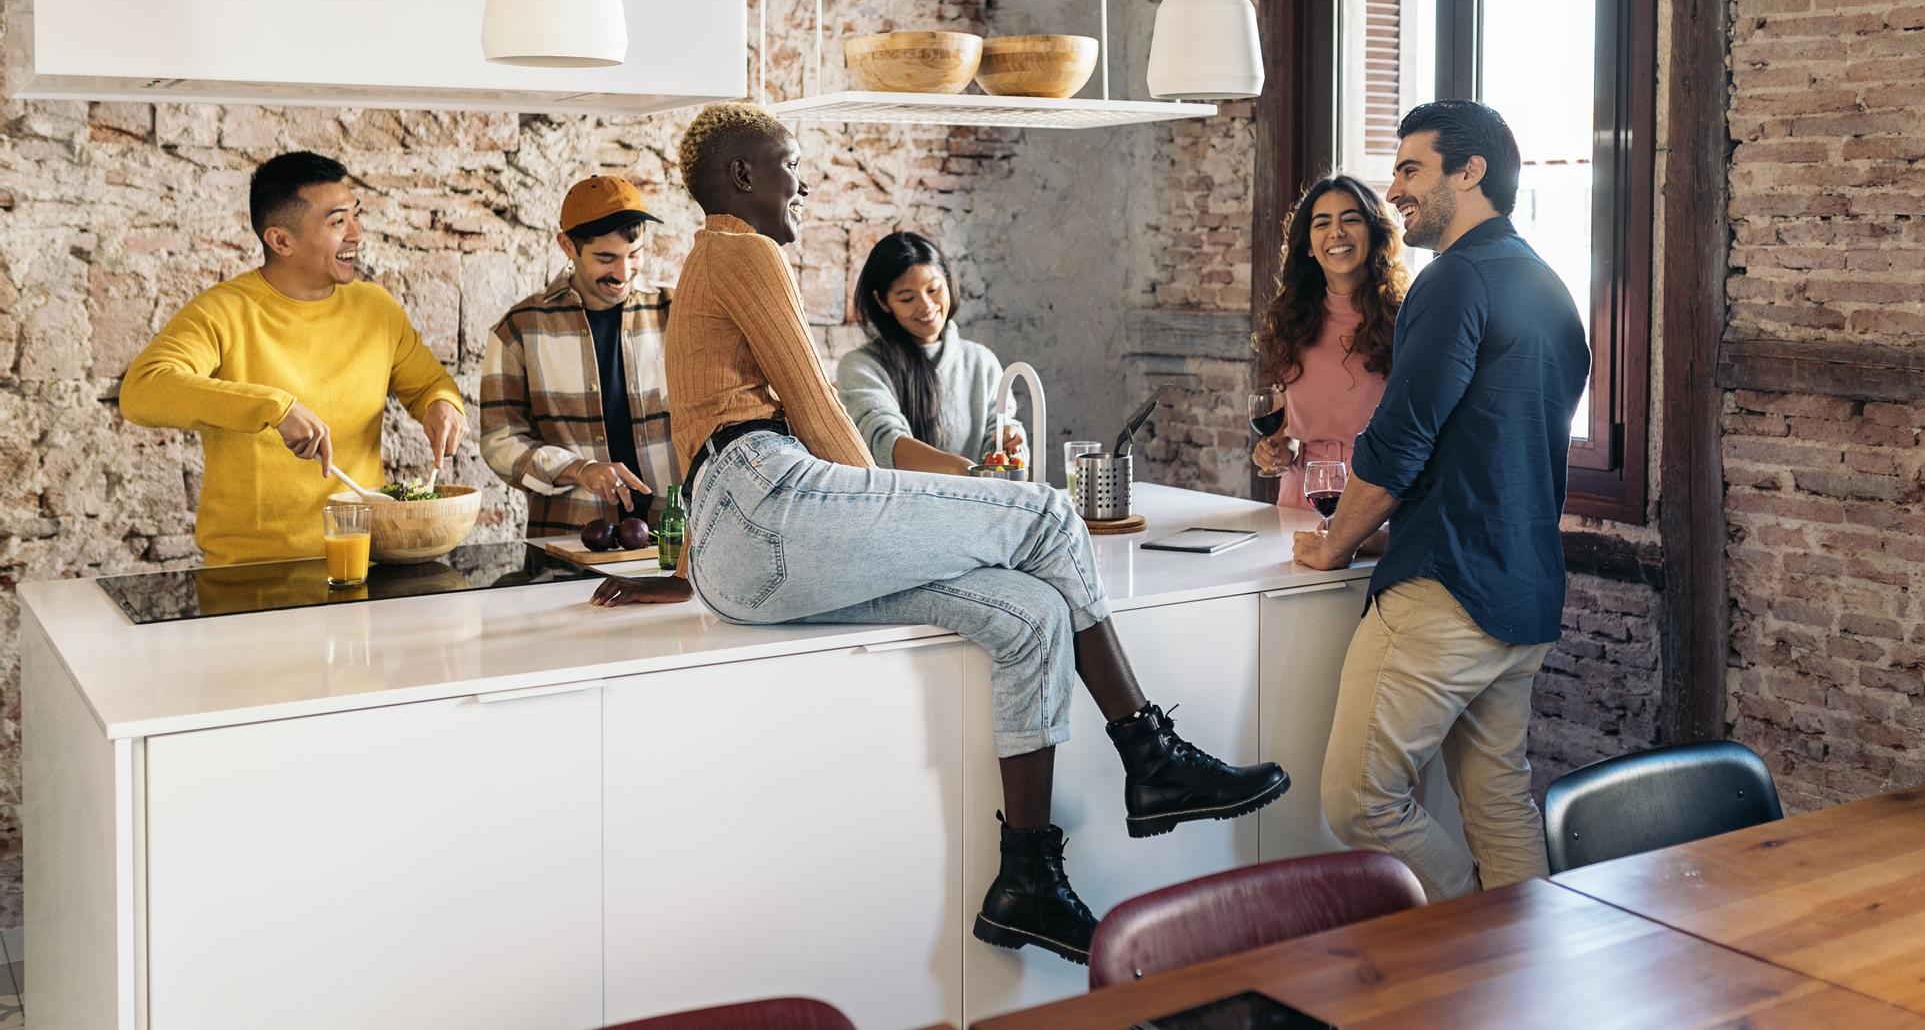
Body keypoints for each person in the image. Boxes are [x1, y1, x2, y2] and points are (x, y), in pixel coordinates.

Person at [633, 101, 1289, 964]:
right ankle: (1151, 754)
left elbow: (706, 437)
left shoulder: (704, 265)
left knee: (1029, 616)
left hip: (744, 540)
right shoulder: (743, 248)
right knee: (1050, 511)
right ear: (743, 175)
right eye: (788, 162)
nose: (804, 179)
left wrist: (691, 563)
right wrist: (879, 503)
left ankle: (1026, 879)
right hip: (769, 502)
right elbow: (820, 410)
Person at [1293, 100, 1588, 902]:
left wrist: (1334, 544)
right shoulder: (1548, 286)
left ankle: (1467, 929)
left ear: (1472, 171)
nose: (1394, 190)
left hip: (1447, 588)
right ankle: (1519, 978)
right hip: (1524, 592)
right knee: (1497, 800)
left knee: (1359, 800)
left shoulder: (1455, 278)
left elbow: (1399, 442)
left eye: (1411, 169)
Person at [120, 151, 467, 566]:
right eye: (337, 222)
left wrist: (442, 406)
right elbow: (143, 390)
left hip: (362, 560)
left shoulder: (376, 308)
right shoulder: (224, 310)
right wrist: (274, 408)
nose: (356, 233)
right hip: (252, 574)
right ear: (281, 240)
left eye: (356, 216)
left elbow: (429, 384)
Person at [481, 175, 678, 537]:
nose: (623, 273)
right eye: (606, 258)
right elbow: (500, 439)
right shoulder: (519, 330)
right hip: (569, 542)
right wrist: (579, 469)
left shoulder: (678, 311)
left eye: (634, 255)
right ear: (567, 246)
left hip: (673, 541)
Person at [1251, 175, 1408, 542]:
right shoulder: (1292, 320)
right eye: (1322, 223)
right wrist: (1278, 450)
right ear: (1308, 245)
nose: (1336, 232)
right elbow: (1289, 432)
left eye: (1350, 219)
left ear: (1373, 234)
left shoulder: (1405, 318)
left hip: (1374, 504)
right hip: (1299, 502)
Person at [836, 231, 1021, 474]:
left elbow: (997, 439)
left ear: (947, 280)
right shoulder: (861, 367)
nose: (925, 306)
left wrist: (1009, 443)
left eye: (933, 289)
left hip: (979, 506)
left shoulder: (981, 362)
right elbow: (882, 441)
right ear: (882, 302)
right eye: (907, 298)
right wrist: (967, 471)